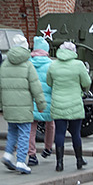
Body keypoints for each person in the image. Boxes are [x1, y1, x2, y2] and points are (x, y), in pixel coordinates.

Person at [0, 41, 47, 174]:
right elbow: (36, 86)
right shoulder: (28, 65)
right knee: (25, 133)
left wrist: (0, 103)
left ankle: (8, 154)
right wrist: (41, 104)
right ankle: (21, 161)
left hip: (9, 106)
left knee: (12, 131)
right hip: (24, 107)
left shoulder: (5, 64)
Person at [46, 41, 92, 171]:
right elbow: (86, 82)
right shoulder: (79, 65)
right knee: (75, 133)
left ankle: (59, 163)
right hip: (74, 103)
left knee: (59, 133)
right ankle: (79, 160)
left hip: (58, 103)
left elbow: (49, 82)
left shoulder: (53, 65)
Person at [26, 36, 55, 168]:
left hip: (32, 99)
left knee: (31, 128)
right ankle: (48, 147)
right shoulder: (51, 64)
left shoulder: (28, 63)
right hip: (47, 99)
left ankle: (31, 155)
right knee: (50, 123)